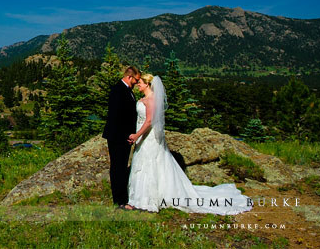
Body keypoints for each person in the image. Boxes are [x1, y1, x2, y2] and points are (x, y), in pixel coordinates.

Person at [126, 74, 253, 214]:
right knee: (146, 164)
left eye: (140, 82)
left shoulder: (150, 100)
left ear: (148, 84)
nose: (138, 84)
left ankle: (147, 200)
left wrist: (137, 135)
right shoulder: (143, 99)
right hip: (143, 137)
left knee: (149, 164)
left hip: (148, 137)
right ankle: (140, 198)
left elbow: (149, 121)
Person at [102, 66, 139, 209]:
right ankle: (120, 201)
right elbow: (117, 117)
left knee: (122, 167)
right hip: (118, 137)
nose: (136, 82)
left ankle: (122, 198)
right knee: (118, 168)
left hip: (123, 137)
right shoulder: (118, 90)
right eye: (136, 79)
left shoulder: (127, 91)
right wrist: (127, 135)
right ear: (129, 77)